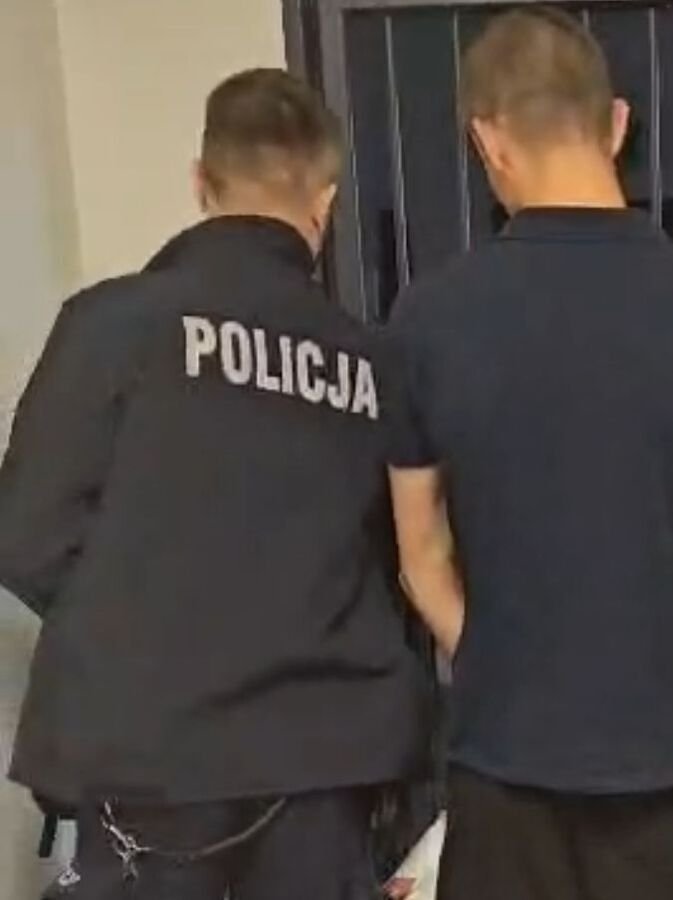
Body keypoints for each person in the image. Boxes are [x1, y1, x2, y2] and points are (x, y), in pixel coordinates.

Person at [380, 8, 673, 900]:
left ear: (487, 142)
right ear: (616, 124)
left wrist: (500, 667)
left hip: (502, 780)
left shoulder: (428, 320)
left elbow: (420, 556)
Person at [0, 69, 429, 900]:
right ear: (326, 199)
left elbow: (25, 535)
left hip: (147, 751)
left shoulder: (111, 323)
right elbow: (393, 557)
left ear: (202, 182)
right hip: (324, 754)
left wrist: (140, 625)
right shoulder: (371, 362)